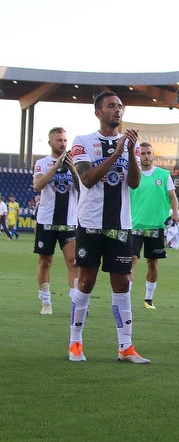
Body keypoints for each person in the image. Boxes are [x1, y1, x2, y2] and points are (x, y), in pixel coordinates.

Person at [68, 91, 150, 364]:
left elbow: (135, 183)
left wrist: (129, 153)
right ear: (98, 112)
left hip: (121, 225)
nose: (118, 110)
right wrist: (116, 154)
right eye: (111, 106)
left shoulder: (130, 145)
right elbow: (88, 178)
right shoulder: (83, 142)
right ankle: (75, 343)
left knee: (123, 284)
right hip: (91, 224)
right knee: (87, 282)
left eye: (120, 106)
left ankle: (125, 347)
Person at [32, 127, 80, 314]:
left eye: (65, 140)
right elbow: (37, 185)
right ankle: (46, 302)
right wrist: (56, 167)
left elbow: (83, 189)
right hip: (46, 221)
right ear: (50, 142)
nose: (63, 144)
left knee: (73, 262)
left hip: (69, 221)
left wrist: (73, 170)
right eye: (59, 140)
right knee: (45, 262)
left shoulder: (74, 163)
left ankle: (76, 302)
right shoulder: (42, 163)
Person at [129, 143, 179, 310]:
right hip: (134, 225)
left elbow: (172, 196)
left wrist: (176, 212)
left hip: (155, 225)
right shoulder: (132, 174)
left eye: (148, 153)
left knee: (152, 263)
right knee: (131, 261)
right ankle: (125, 296)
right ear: (139, 155)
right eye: (143, 153)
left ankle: (148, 298)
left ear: (153, 155)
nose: (146, 156)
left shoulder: (163, 175)